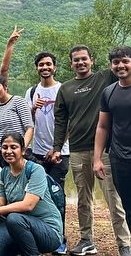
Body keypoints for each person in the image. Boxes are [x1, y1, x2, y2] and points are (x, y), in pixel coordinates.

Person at [53, 45, 130, 255]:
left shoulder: (105, 78)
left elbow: (124, 69)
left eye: (84, 59)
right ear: (71, 64)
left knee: (114, 199)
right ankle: (87, 239)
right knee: (83, 199)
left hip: (105, 150)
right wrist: (57, 147)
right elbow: (60, 121)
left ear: (92, 60)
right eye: (76, 60)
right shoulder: (66, 89)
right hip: (77, 149)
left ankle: (124, 243)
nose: (80, 63)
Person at [0, 133, 63, 256]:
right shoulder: (4, 173)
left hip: (48, 231)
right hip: (18, 226)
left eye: (13, 147)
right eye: (5, 147)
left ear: (23, 150)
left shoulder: (35, 170)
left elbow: (28, 205)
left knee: (14, 218)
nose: (8, 151)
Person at [25, 51, 69, 255]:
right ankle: (43, 235)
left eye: (48, 64)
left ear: (55, 67)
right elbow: (29, 123)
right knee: (38, 196)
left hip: (61, 153)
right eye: (41, 64)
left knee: (57, 195)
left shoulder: (63, 89)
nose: (45, 67)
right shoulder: (31, 91)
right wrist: (33, 109)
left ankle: (60, 238)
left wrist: (58, 147)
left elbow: (69, 122)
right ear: (37, 68)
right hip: (38, 152)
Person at [94, 46, 131, 239]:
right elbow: (103, 127)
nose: (120, 65)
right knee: (128, 207)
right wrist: (97, 159)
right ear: (111, 66)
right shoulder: (108, 92)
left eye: (125, 61)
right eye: (116, 62)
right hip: (119, 159)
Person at [0, 74, 34, 167]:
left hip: (18, 151)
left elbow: (29, 128)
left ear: (5, 86)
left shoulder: (18, 101)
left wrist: (22, 149)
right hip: (1, 153)